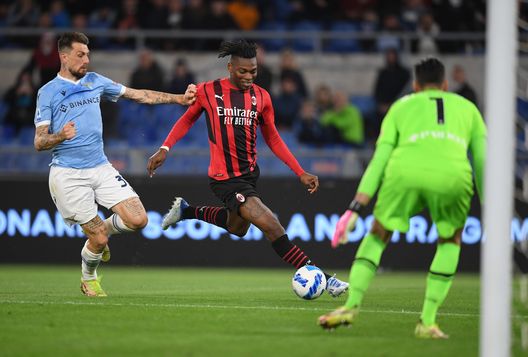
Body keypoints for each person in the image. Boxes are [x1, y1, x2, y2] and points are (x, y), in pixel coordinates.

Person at [147, 39, 348, 297]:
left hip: (250, 175)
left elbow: (273, 138)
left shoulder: (262, 97)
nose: (249, 76)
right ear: (230, 68)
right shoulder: (208, 91)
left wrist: (300, 172)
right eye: (243, 71)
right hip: (225, 178)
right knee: (272, 226)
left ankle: (186, 212)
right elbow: (186, 120)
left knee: (237, 228)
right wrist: (165, 148)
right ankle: (325, 279)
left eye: (253, 71)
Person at [318, 58, 486, 338]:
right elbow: (481, 160)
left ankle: (350, 306)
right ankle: (428, 322)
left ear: (416, 86)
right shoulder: (469, 109)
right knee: (449, 241)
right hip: (453, 176)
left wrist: (355, 208)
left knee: (377, 235)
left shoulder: (401, 106)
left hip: (404, 172)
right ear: (445, 85)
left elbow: (380, 159)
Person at [33, 32, 196, 297]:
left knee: (139, 219)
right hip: (68, 174)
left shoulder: (95, 81)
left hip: (100, 167)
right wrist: (60, 135)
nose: (87, 59)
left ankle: (98, 233)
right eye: (80, 54)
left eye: (88, 54)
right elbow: (39, 141)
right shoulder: (48, 92)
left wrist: (179, 99)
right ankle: (89, 279)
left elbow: (138, 95)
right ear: (63, 56)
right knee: (99, 239)